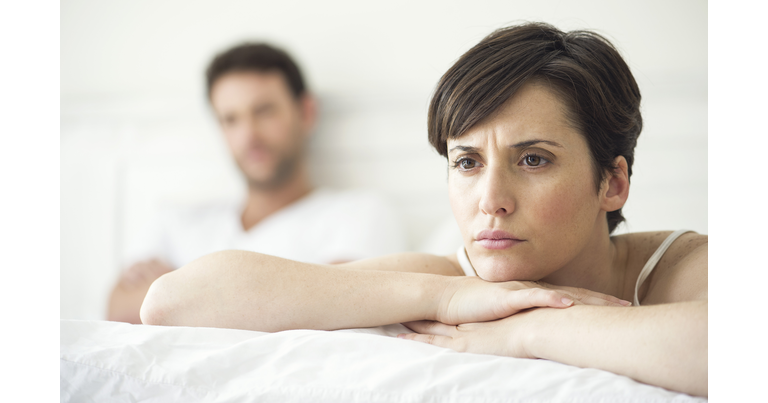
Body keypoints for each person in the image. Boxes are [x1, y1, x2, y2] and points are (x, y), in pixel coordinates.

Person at [139, 23, 707, 397]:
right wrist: (444, 295)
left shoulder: (680, 266)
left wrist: (528, 332)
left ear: (611, 182)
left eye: (533, 159)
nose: (491, 200)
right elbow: (172, 303)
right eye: (466, 163)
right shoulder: (449, 282)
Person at [107, 43, 407, 324]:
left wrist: (177, 287)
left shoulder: (358, 213)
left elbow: (344, 308)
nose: (249, 135)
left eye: (264, 112)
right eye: (231, 119)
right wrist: (285, 296)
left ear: (306, 112)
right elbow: (117, 310)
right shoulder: (175, 221)